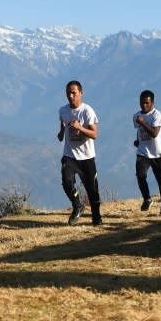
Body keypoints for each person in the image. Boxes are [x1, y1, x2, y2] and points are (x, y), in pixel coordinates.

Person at [57, 80, 102, 225]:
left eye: (73, 93)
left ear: (81, 93)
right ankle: (77, 205)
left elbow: (94, 134)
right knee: (66, 182)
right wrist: (62, 132)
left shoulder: (87, 111)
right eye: (68, 93)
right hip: (70, 156)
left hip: (87, 158)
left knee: (92, 191)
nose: (70, 96)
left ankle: (96, 217)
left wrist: (80, 127)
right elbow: (62, 132)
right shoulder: (63, 111)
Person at [133, 90, 161, 215]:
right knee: (140, 175)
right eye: (142, 103)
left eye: (147, 103)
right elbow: (139, 131)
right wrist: (138, 140)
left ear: (152, 103)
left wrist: (142, 122)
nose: (144, 105)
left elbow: (154, 133)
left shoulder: (157, 115)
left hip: (157, 153)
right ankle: (147, 199)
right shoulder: (136, 116)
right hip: (142, 152)